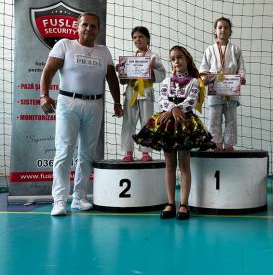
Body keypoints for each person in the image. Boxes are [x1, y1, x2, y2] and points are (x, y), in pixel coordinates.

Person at [40, 12, 123, 216]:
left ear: (98, 30)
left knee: (86, 153)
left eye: (93, 26)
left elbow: (112, 78)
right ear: (77, 27)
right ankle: (59, 200)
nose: (88, 29)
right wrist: (44, 95)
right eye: (85, 25)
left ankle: (79, 197)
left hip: (95, 104)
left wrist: (118, 103)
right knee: (64, 151)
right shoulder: (65, 45)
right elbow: (48, 71)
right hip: (68, 103)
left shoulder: (104, 52)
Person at [133, 46, 215, 220]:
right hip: (167, 125)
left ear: (187, 60)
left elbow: (191, 100)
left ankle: (184, 203)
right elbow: (162, 99)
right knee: (169, 165)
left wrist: (176, 110)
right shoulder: (166, 81)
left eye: (179, 58)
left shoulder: (194, 81)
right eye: (173, 59)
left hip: (185, 123)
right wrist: (172, 110)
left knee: (184, 165)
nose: (176, 61)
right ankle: (171, 202)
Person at [118, 26, 166, 162]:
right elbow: (123, 81)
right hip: (131, 92)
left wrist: (151, 72)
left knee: (147, 122)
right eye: (134, 37)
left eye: (141, 37)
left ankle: (146, 152)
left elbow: (162, 74)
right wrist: (121, 72)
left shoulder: (153, 56)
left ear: (147, 39)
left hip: (146, 93)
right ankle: (128, 152)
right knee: (128, 122)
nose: (137, 39)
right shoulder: (129, 59)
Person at [199, 17, 246, 151]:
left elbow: (241, 67)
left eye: (226, 27)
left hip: (231, 87)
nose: (223, 30)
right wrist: (205, 78)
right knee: (214, 117)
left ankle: (229, 144)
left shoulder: (236, 50)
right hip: (215, 88)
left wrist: (242, 77)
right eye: (220, 27)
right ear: (215, 31)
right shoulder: (209, 50)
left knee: (231, 118)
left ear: (230, 31)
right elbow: (203, 68)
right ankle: (216, 143)